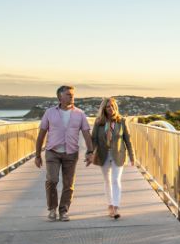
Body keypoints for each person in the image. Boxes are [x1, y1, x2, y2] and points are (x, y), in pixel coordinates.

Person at [34, 85, 93, 221]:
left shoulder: (80, 113)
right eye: (68, 94)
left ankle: (64, 211)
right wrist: (37, 155)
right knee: (52, 180)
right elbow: (41, 134)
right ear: (60, 97)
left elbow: (86, 134)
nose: (71, 96)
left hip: (71, 153)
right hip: (52, 152)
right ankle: (52, 209)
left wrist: (90, 152)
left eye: (72, 94)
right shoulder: (49, 113)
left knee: (68, 184)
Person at [90, 97, 134, 220]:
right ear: (104, 108)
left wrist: (132, 156)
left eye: (113, 106)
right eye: (108, 106)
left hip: (118, 154)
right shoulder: (99, 122)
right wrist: (89, 153)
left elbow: (128, 140)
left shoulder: (122, 121)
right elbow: (93, 139)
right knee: (107, 181)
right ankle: (109, 205)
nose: (111, 108)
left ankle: (116, 206)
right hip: (103, 154)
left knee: (115, 180)